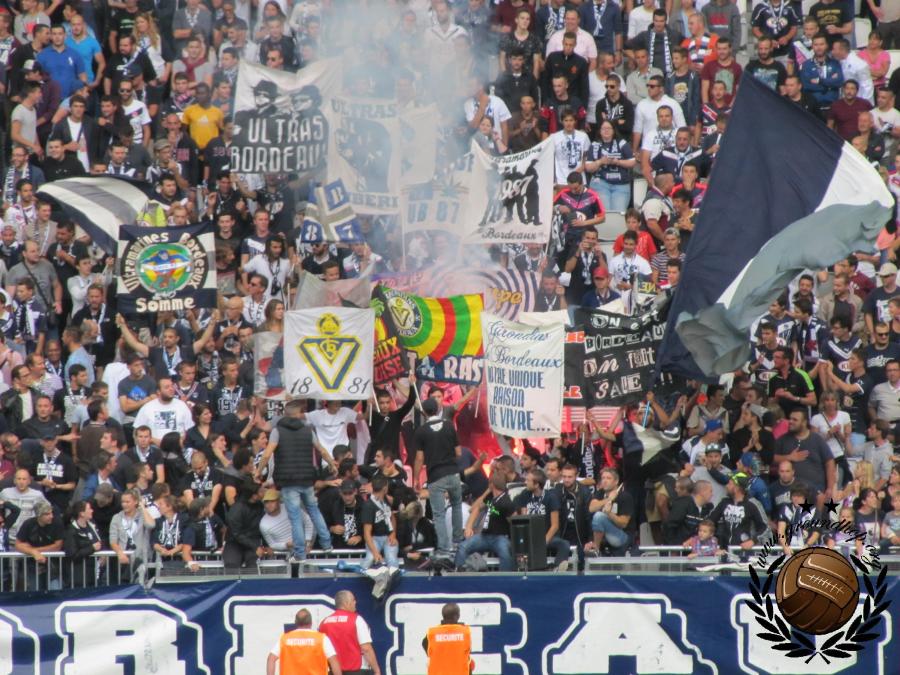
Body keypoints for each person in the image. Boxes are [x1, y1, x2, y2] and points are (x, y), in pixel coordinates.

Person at [255, 399, 335, 561]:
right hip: (307, 478)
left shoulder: (277, 431)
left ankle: (299, 553)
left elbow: (267, 453)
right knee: (314, 510)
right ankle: (327, 544)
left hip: (288, 481)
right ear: (299, 414)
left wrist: (258, 471)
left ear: (285, 414)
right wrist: (332, 464)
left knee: (295, 518)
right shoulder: (308, 430)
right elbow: (321, 450)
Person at [412, 398, 463, 563]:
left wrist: (416, 478)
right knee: (456, 506)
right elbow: (458, 453)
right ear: (438, 409)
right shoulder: (449, 425)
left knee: (439, 514)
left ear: (424, 412)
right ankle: (458, 543)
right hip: (453, 474)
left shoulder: (421, 431)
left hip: (436, 476)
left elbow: (419, 458)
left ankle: (443, 550)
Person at [774, 408, 837, 509]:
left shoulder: (817, 439)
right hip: (791, 493)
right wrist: (789, 457)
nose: (790, 421)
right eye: (790, 418)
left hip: (816, 493)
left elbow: (829, 462)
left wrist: (830, 487)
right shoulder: (783, 440)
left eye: (795, 419)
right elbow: (772, 459)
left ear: (804, 422)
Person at [454, 471, 515, 571]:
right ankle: (459, 573)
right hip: (485, 536)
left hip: (500, 537)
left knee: (505, 554)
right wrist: (468, 527)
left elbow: (514, 522)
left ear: (491, 484)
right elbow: (475, 508)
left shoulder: (506, 501)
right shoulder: (491, 497)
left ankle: (505, 577)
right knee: (463, 547)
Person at [318, 590, 382, 675]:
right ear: (346, 602)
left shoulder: (324, 623)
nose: (355, 602)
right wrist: (376, 670)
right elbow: (366, 649)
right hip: (357, 670)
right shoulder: (356, 620)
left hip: (333, 671)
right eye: (353, 600)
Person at [266, 609, 343, 675]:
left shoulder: (285, 639)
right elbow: (334, 661)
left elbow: (271, 659)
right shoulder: (321, 639)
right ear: (311, 623)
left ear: (296, 622)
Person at [423, 603, 474, 675]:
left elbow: (425, 645)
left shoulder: (432, 633)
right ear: (457, 616)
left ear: (443, 616)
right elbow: (467, 653)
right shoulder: (465, 632)